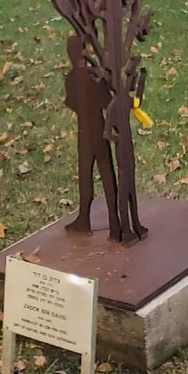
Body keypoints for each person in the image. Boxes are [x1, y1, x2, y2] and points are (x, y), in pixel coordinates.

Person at [63, 33, 118, 234]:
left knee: (86, 175)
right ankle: (114, 220)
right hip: (99, 127)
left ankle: (84, 219)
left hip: (85, 131)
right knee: (106, 173)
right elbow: (106, 100)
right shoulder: (95, 76)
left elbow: (71, 103)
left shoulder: (71, 79)